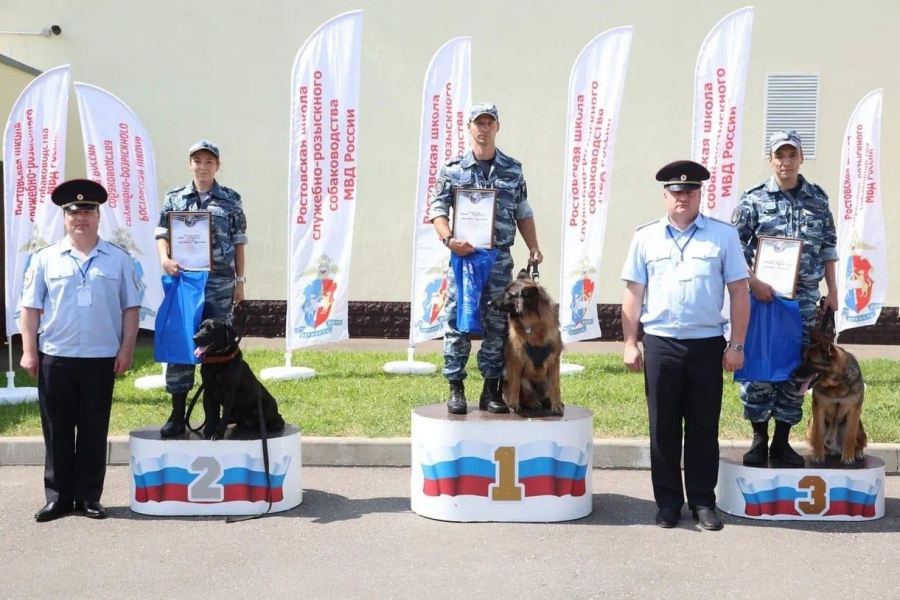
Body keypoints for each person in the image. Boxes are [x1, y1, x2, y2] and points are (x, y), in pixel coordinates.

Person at [621, 160, 749, 531]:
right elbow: (633, 292)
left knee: (703, 427)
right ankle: (667, 503)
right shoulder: (645, 237)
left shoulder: (723, 236)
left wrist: (736, 345)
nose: (683, 197)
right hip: (661, 344)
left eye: (690, 191)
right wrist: (630, 342)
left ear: (699, 195)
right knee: (662, 428)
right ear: (665, 196)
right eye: (676, 192)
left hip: (707, 344)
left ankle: (702, 501)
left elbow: (739, 292)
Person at [20, 179, 141, 522]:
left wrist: (127, 348)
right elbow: (29, 309)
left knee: (93, 428)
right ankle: (58, 497)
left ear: (98, 216)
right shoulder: (45, 259)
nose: (80, 217)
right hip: (56, 356)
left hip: (101, 357)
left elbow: (130, 308)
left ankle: (89, 496)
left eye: (87, 211)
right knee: (56, 429)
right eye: (73, 212)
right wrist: (30, 352)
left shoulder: (118, 260)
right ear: (64, 217)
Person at [732, 130, 838, 466]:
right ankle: (759, 439)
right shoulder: (753, 200)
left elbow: (828, 247)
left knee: (797, 370)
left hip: (804, 301)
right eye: (780, 155)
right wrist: (752, 282)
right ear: (771, 160)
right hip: (762, 300)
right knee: (760, 367)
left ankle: (782, 442)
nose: (786, 162)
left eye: (792, 155)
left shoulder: (818, 200)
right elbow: (733, 248)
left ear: (801, 159)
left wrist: (833, 291)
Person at [429, 103, 543, 415]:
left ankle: (490, 389)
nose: (484, 128)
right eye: (478, 123)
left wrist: (533, 247)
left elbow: (523, 211)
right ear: (468, 127)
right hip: (464, 260)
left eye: (489, 123)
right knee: (457, 322)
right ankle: (456, 388)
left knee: (497, 324)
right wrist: (449, 240)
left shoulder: (512, 169)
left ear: (497, 127)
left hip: (498, 261)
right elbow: (437, 210)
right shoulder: (453, 170)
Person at [156, 140, 248, 437]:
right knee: (182, 344)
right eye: (197, 161)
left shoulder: (231, 199)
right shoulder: (175, 198)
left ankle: (221, 413)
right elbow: (162, 234)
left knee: (221, 346)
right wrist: (164, 259)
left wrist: (240, 282)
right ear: (190, 164)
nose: (203, 166)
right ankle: (177, 413)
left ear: (217, 166)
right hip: (186, 282)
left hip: (220, 284)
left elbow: (239, 242)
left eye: (209, 161)